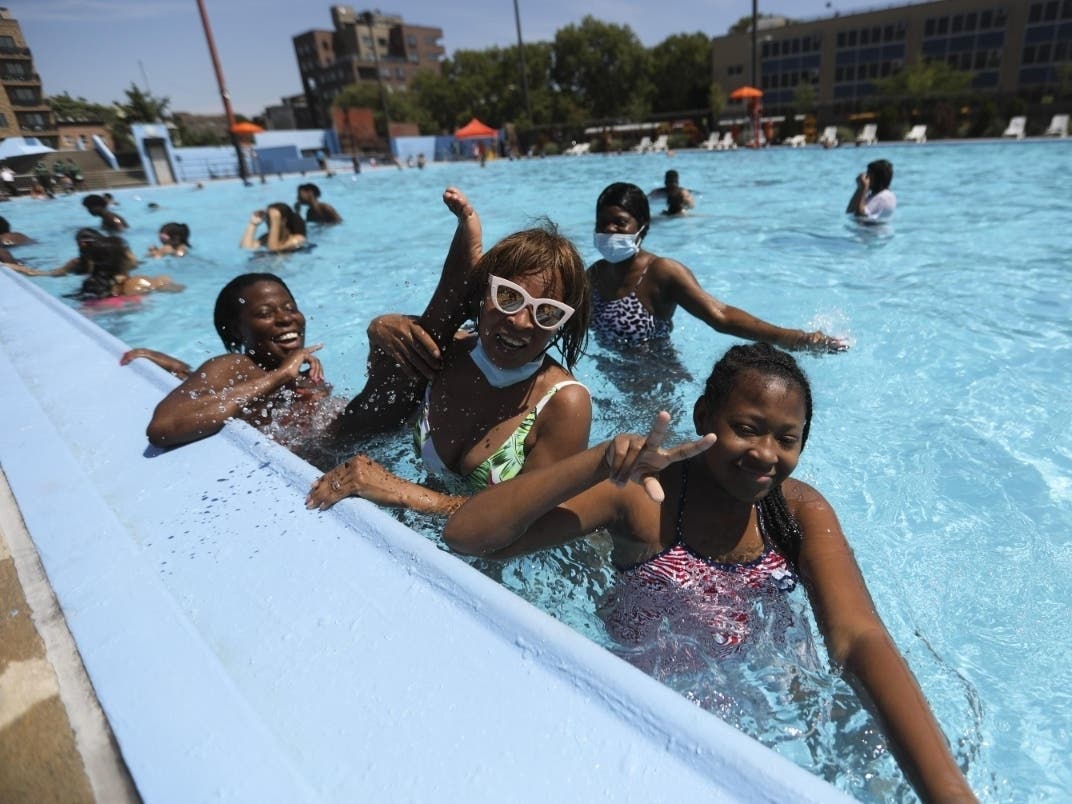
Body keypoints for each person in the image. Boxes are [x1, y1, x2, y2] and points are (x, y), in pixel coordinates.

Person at [443, 342, 976, 804]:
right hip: (666, 731)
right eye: (746, 429)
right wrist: (600, 461)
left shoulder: (796, 512)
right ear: (704, 418)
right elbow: (469, 538)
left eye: (787, 439)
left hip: (784, 713)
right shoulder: (644, 501)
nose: (766, 454)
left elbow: (858, 637)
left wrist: (949, 792)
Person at [306, 191, 592, 516]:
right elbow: (377, 399)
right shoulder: (447, 353)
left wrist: (400, 491)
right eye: (508, 297)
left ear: (563, 326)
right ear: (484, 293)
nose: (520, 321)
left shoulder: (563, 404)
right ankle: (459, 276)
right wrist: (380, 330)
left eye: (547, 313)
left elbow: (523, 520)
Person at [589, 183, 845, 352]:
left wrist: (797, 339)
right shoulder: (594, 276)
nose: (609, 229)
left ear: (642, 225)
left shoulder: (662, 272)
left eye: (620, 222)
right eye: (602, 222)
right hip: (610, 389)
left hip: (655, 389)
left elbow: (721, 316)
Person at [142, 273, 328, 449]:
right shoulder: (236, 365)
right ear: (237, 330)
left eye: (290, 308)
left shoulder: (305, 378)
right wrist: (279, 376)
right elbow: (162, 428)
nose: (285, 318)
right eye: (265, 313)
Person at [69, 235, 183, 300]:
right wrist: (162, 280)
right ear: (122, 259)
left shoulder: (92, 285)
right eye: (130, 251)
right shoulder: (137, 282)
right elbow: (179, 289)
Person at [6, 228, 102, 277]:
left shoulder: (78, 263)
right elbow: (48, 274)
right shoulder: (77, 263)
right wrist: (15, 267)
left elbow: (46, 274)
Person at [239, 203, 307, 253]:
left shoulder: (298, 239)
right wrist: (253, 224)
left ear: (284, 220)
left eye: (272, 218)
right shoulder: (266, 238)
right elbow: (246, 248)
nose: (268, 221)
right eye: (268, 217)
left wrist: (275, 221)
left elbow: (273, 250)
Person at [846, 159, 896, 223]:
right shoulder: (874, 195)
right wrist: (859, 188)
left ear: (878, 178)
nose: (866, 177)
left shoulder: (884, 197)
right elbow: (850, 211)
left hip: (874, 232)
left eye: (869, 174)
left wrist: (863, 188)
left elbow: (860, 216)